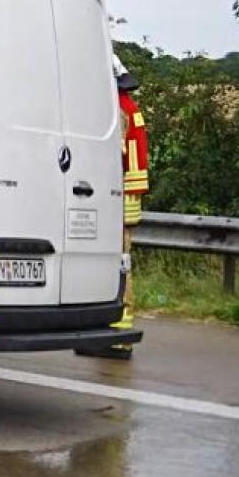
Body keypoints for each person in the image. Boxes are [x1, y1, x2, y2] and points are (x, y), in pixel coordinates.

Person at [80, 57, 147, 359]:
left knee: (117, 265)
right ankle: (112, 331)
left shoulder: (117, 109)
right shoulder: (130, 106)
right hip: (127, 195)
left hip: (118, 196)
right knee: (119, 263)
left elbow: (113, 151)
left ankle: (117, 335)